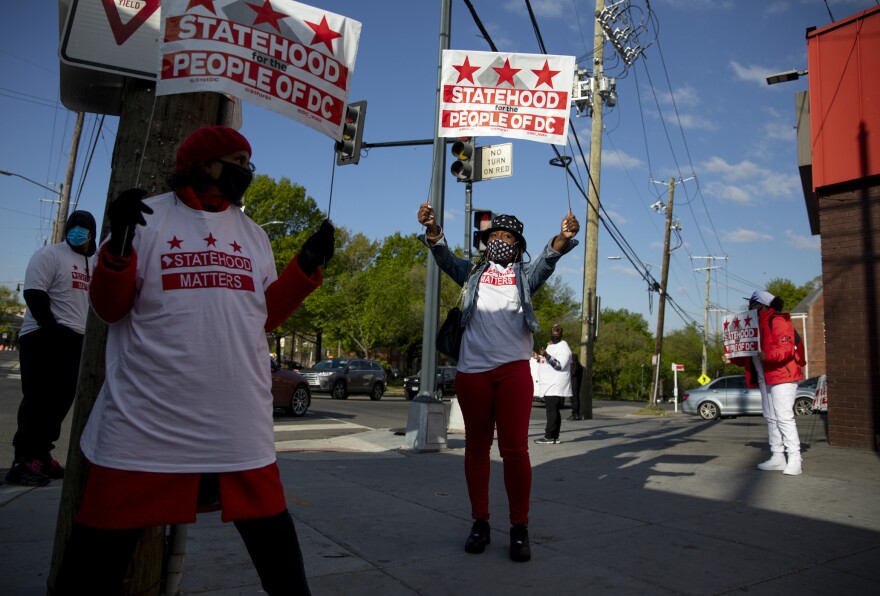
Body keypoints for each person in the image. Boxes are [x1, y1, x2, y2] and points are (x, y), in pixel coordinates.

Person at [55, 126, 334, 595]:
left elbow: (260, 316)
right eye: (236, 162)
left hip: (237, 425)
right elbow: (109, 309)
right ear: (203, 164)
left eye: (249, 163)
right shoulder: (146, 219)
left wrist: (304, 269)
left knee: (281, 562)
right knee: (92, 565)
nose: (246, 172)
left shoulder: (253, 235)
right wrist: (118, 248)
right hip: (146, 424)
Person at [418, 202, 580, 562]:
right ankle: (480, 522)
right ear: (486, 242)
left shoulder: (525, 275)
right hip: (472, 371)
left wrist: (563, 237)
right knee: (476, 449)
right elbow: (444, 258)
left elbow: (547, 260)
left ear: (518, 245)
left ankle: (519, 528)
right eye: (495, 236)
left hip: (513, 372)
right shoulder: (473, 272)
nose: (500, 241)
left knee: (514, 450)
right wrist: (432, 228)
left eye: (507, 237)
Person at [5, 211, 96, 487]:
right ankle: (22, 461)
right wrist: (51, 329)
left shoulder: (93, 261)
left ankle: (42, 455)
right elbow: (34, 293)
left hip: (77, 339)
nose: (77, 231)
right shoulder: (49, 255)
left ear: (91, 233)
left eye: (83, 228)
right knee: (38, 399)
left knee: (61, 401)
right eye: (73, 226)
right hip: (44, 336)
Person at [724, 290, 804, 476]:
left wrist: (768, 356)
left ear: (762, 306)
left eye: (752, 304)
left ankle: (794, 458)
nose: (749, 307)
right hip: (765, 377)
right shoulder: (754, 325)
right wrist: (732, 358)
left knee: (784, 417)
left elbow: (786, 348)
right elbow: (748, 354)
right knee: (771, 417)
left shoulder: (777, 321)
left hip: (782, 375)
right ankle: (777, 456)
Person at [535, 324, 573, 444]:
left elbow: (558, 365)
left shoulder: (564, 347)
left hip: (555, 385)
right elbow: (546, 361)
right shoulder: (551, 346)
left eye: (557, 332)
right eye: (553, 332)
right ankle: (554, 436)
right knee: (553, 410)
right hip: (549, 384)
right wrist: (539, 358)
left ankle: (550, 436)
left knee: (552, 411)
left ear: (561, 333)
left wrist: (546, 355)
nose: (554, 334)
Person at [568, 353, 584, 421]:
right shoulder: (579, 365)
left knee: (574, 400)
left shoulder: (576, 365)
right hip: (575, 385)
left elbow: (573, 373)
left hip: (574, 385)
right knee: (574, 400)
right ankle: (574, 414)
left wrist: (572, 365)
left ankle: (576, 414)